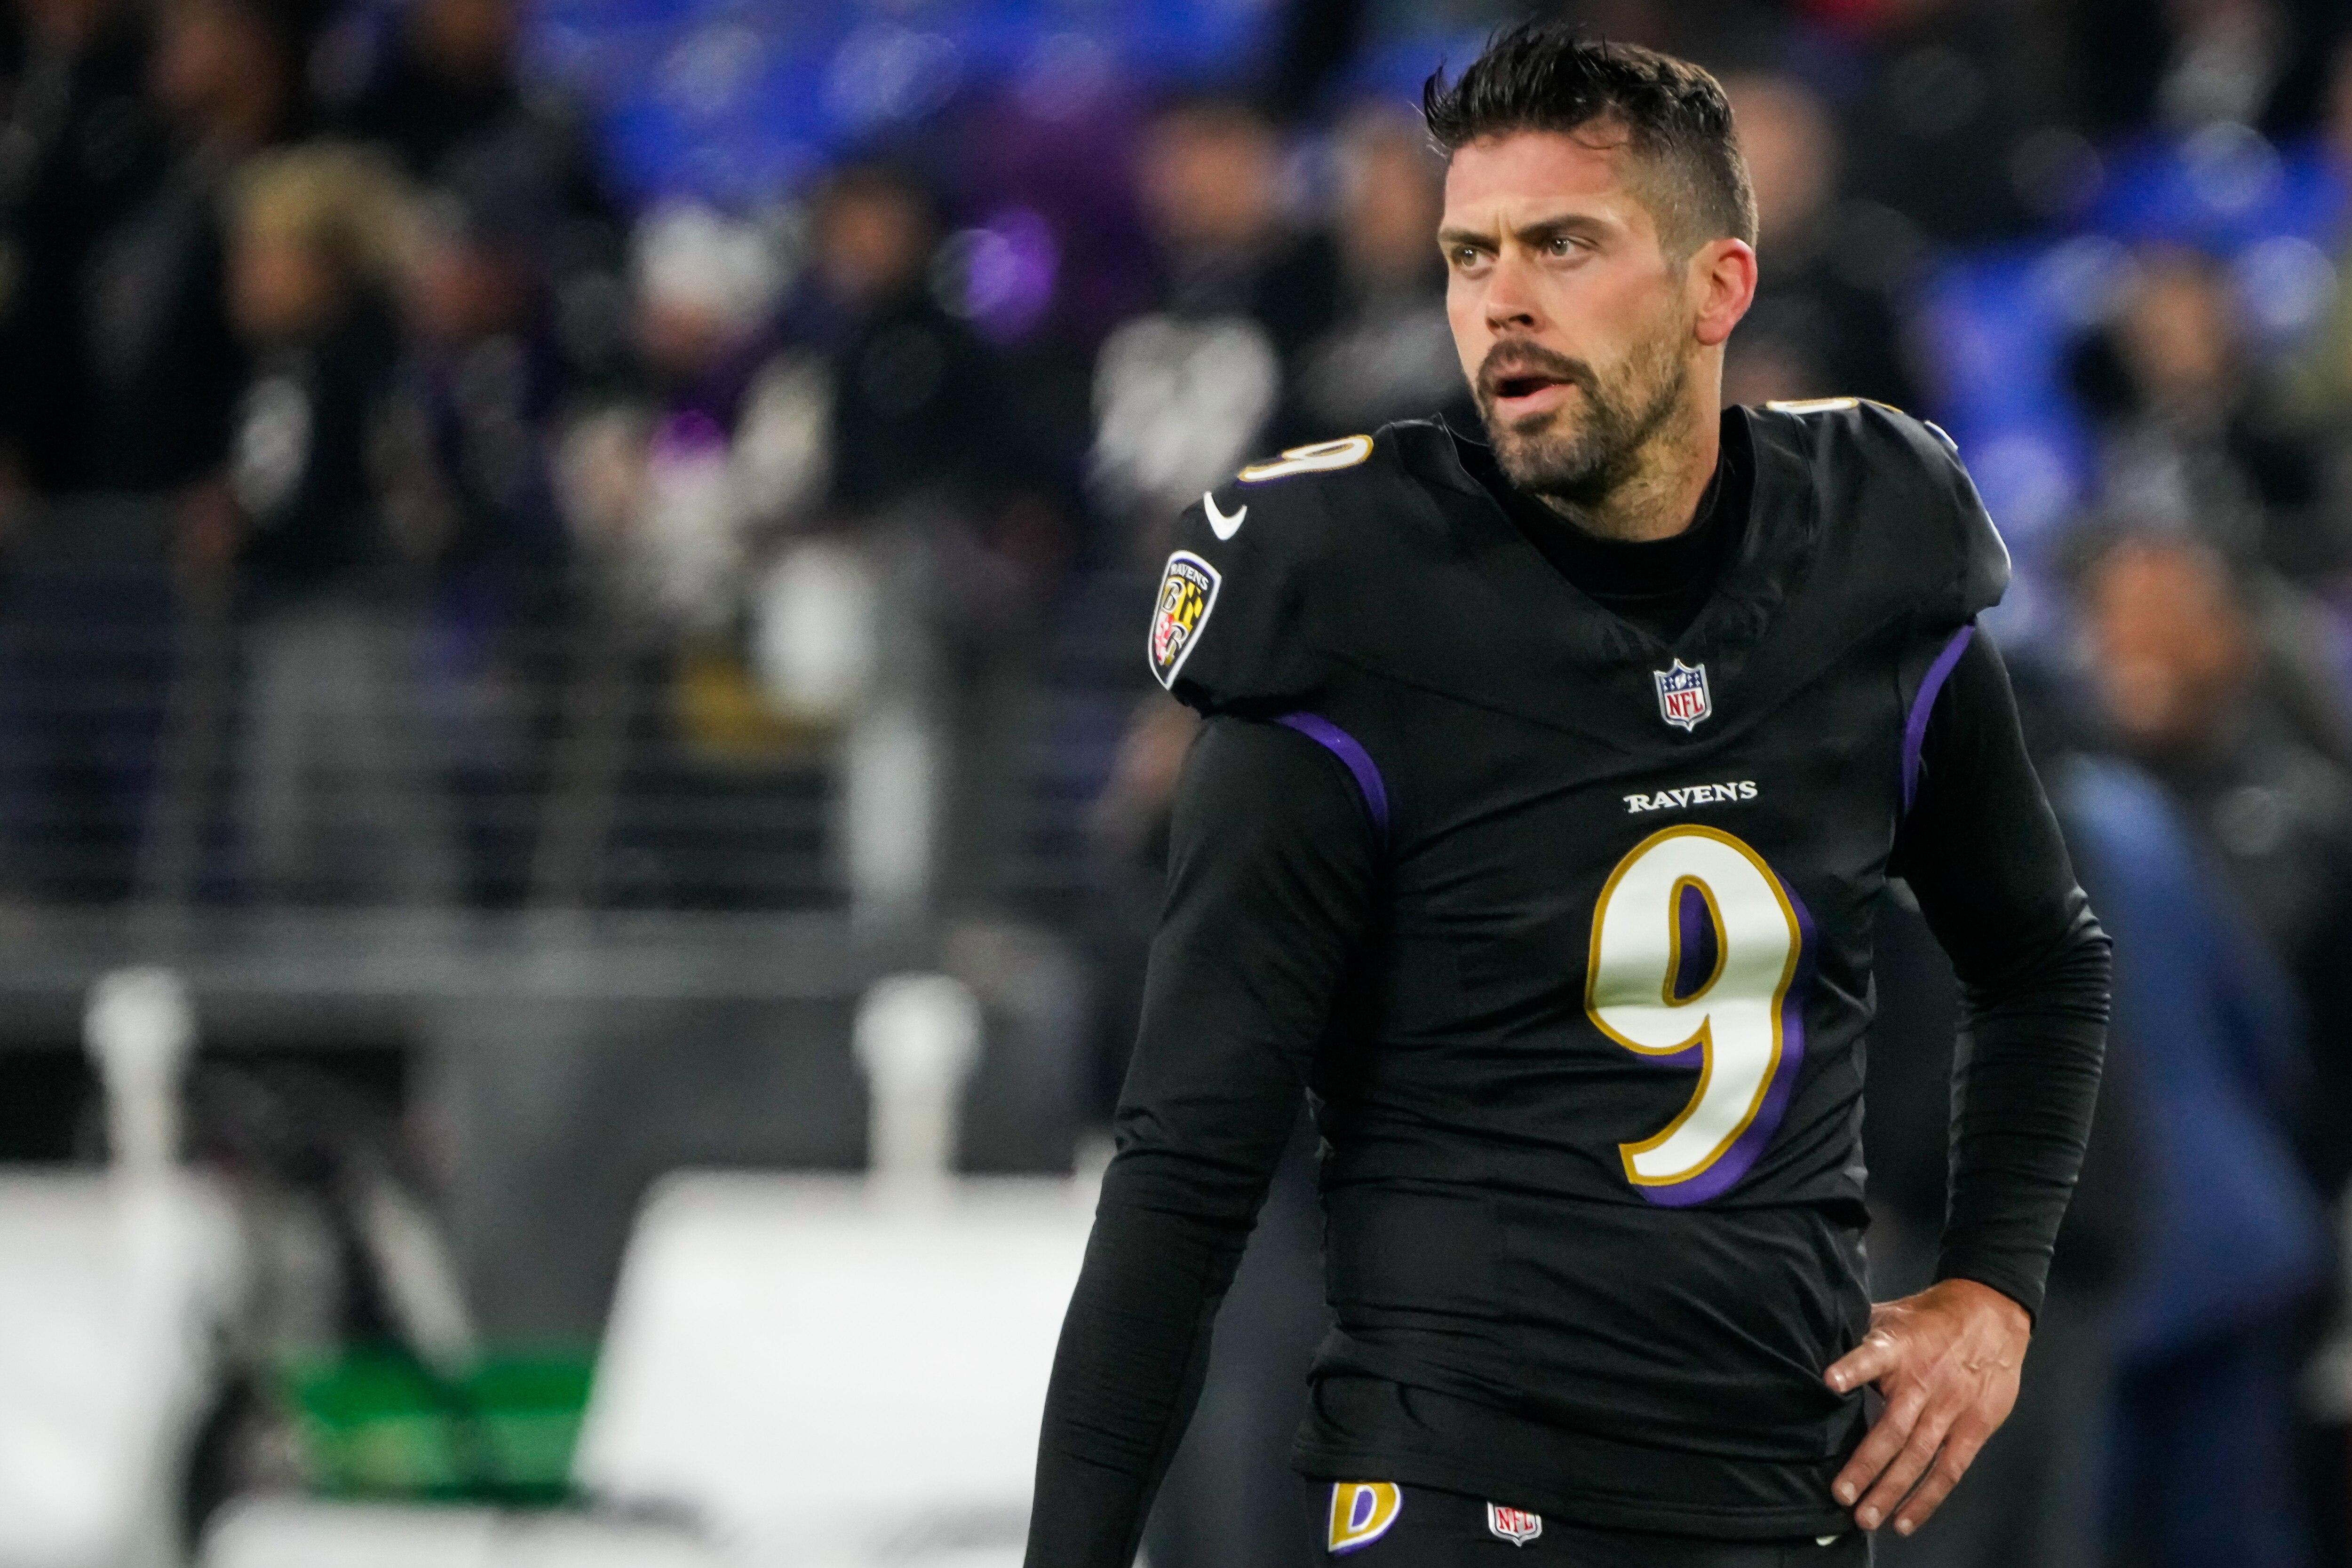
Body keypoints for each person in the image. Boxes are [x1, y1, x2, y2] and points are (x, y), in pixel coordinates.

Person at [1027, 27, 2110, 1564]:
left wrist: (1992, 1288)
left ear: (1718, 287)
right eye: (1470, 254)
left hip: (1786, 1495)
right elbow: (1186, 1171)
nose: (1502, 300)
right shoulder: (1348, 599)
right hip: (1462, 1494)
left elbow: (2044, 959)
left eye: (1564, 244)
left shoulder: (1869, 544)